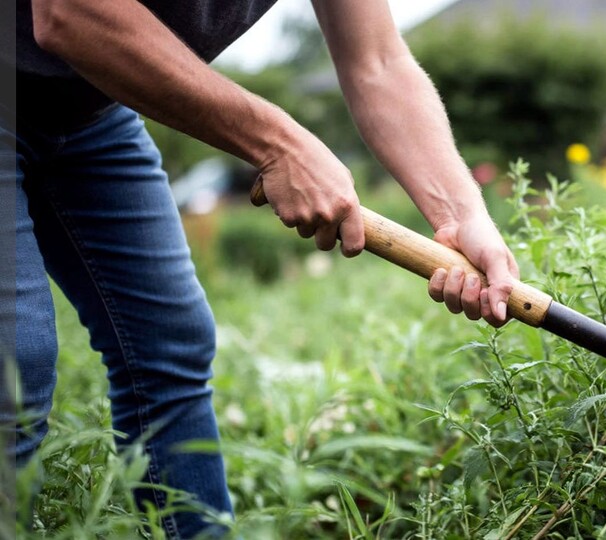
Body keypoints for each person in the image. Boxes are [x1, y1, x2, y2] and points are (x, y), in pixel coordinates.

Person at [3, 0, 520, 536]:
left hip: (92, 112)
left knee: (168, 344)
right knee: (16, 365)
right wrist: (278, 144)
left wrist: (462, 216)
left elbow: (378, 63)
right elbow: (73, 12)